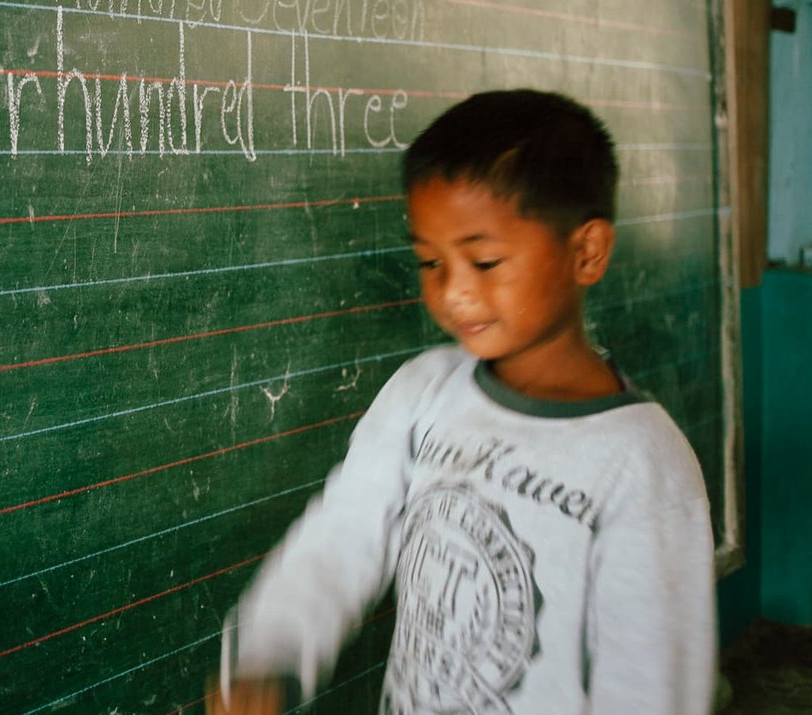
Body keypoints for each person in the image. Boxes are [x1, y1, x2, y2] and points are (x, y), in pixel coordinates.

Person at [208, 89, 715, 714]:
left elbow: (652, 681)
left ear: (586, 252)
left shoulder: (642, 463)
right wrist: (272, 653)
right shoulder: (425, 392)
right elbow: (343, 534)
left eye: (484, 260)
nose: (453, 293)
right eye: (429, 261)